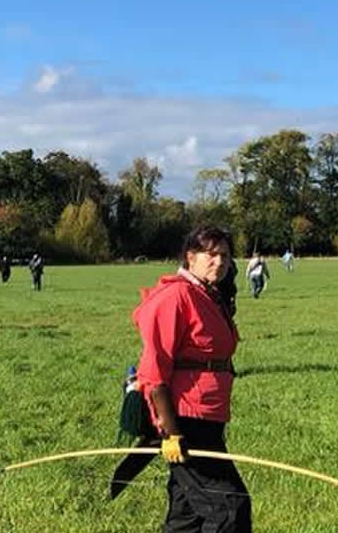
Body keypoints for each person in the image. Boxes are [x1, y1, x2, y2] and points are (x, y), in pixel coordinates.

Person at [134, 225, 249, 532]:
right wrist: (171, 432)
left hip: (209, 415)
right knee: (230, 508)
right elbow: (154, 370)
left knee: (187, 515)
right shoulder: (175, 296)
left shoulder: (208, 295)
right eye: (211, 255)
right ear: (190, 257)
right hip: (185, 418)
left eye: (225, 255)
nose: (219, 262)